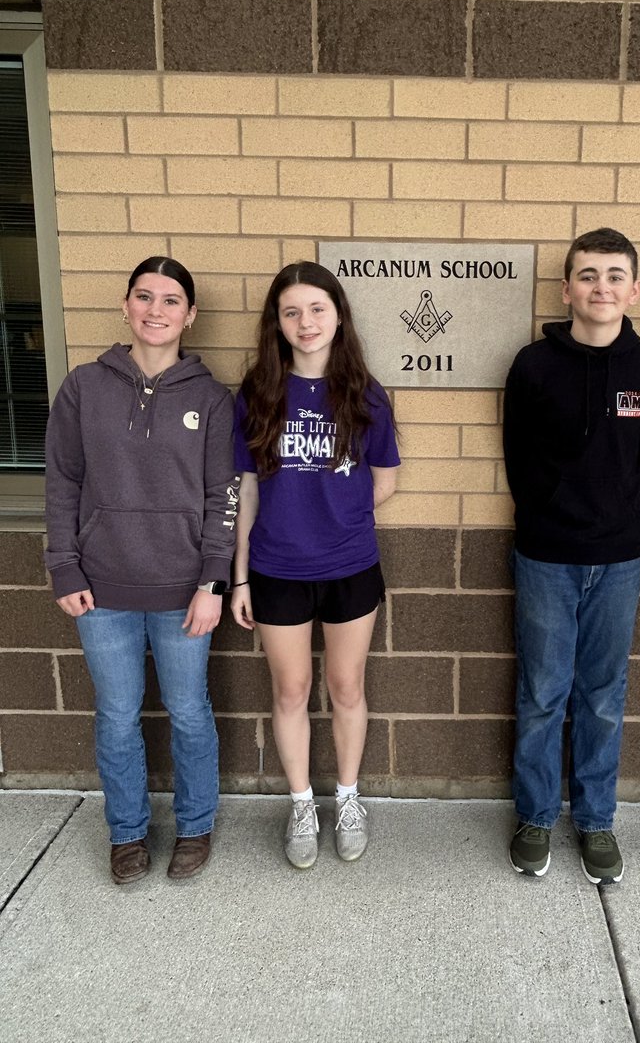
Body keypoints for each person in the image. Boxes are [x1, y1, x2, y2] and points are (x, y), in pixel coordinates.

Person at [44, 257, 237, 885]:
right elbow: (63, 483)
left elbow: (223, 496)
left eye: (171, 300)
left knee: (188, 711)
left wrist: (213, 583)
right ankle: (126, 832)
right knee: (117, 714)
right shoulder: (83, 387)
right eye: (145, 297)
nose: (157, 310)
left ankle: (195, 826)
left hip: (185, 591)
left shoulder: (212, 399)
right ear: (126, 306)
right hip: (101, 590)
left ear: (191, 315)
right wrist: (64, 566)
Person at [503, 228, 640, 883]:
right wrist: (551, 514)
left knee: (603, 693)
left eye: (614, 275)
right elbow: (518, 458)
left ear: (635, 290)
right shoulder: (532, 365)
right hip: (546, 554)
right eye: (588, 275)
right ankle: (536, 815)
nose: (602, 287)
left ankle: (597, 819)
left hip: (620, 555)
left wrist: (612, 511)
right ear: (567, 289)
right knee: (543, 691)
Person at [231, 261, 399, 870]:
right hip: (276, 569)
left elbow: (385, 480)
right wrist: (241, 576)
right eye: (292, 312)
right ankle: (302, 805)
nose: (306, 322)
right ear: (277, 323)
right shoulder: (258, 393)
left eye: (317, 309)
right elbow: (247, 489)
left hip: (350, 565)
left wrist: (333, 514)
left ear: (338, 316)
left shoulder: (365, 393)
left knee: (346, 686)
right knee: (291, 689)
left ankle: (348, 798)